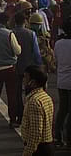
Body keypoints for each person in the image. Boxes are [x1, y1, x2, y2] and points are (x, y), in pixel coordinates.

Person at [13, 12, 43, 124]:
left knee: (17, 94)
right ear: (25, 22)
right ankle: (29, 117)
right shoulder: (31, 34)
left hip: (16, 67)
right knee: (30, 93)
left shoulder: (11, 33)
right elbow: (36, 53)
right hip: (29, 67)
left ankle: (19, 116)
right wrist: (39, 66)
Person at [20, 65, 55, 156]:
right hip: (47, 144)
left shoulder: (34, 102)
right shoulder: (45, 96)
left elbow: (35, 134)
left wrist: (27, 152)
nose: (23, 80)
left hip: (39, 149)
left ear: (33, 82)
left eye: (26, 77)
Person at [53, 17, 71, 148]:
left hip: (61, 81)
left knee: (62, 110)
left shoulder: (59, 44)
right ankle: (68, 138)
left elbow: (56, 60)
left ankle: (57, 136)